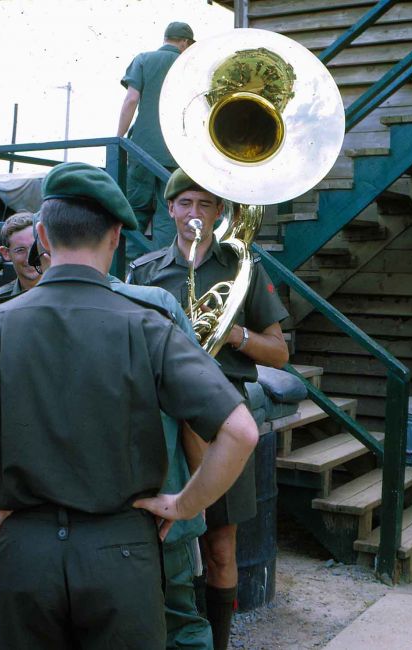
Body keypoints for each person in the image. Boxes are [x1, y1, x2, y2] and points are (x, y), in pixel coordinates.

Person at [0, 162, 258, 650]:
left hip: (21, 553)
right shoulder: (149, 325)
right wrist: (184, 504)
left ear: (43, 235)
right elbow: (240, 432)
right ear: (115, 236)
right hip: (123, 555)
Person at [129, 168, 290, 650]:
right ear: (170, 209)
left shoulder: (243, 266)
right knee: (159, 541)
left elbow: (280, 353)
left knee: (221, 548)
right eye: (185, 204)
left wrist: (230, 332)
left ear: (219, 212)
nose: (194, 214)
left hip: (223, 422)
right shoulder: (144, 272)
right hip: (158, 422)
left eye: (205, 205)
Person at [117, 21, 195, 261]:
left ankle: (127, 274)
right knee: (167, 216)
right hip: (175, 156)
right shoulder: (189, 66)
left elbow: (131, 100)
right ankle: (163, 271)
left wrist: (118, 139)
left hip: (141, 151)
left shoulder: (143, 59)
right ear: (183, 42)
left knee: (134, 214)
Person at [0, 211, 40, 298]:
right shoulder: (1, 300)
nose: (29, 258)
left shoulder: (67, 294)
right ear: (6, 253)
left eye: (35, 248)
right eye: (20, 250)